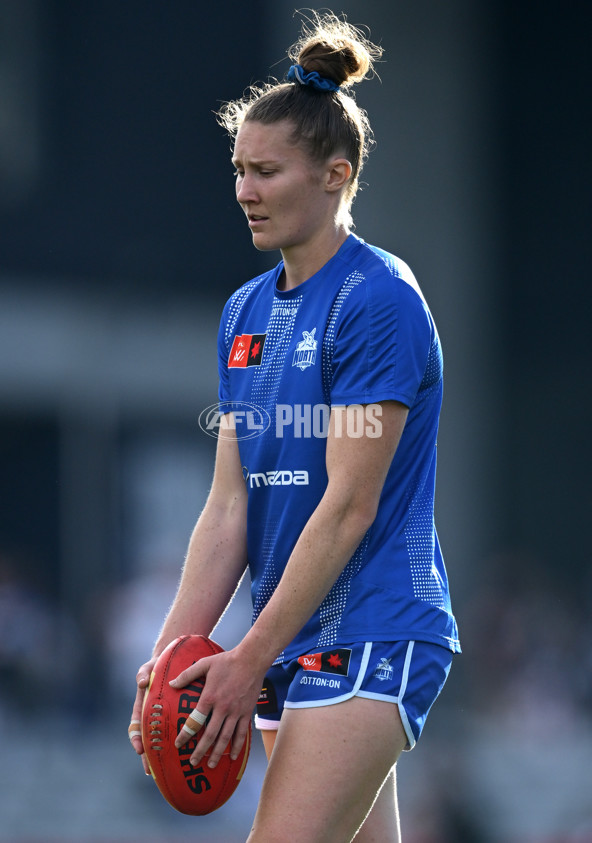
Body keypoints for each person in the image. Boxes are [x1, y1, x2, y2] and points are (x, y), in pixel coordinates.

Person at [129, 11, 460, 842]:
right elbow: (229, 510)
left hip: (375, 629)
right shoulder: (244, 311)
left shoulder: (376, 299)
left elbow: (350, 506)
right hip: (289, 642)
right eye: (239, 170)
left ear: (335, 175)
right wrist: (170, 662)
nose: (244, 190)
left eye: (266, 171)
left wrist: (243, 660)